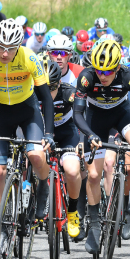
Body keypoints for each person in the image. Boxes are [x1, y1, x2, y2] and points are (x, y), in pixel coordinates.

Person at [0, 19, 54, 256]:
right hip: (0, 114)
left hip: (28, 111)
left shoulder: (29, 58)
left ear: (19, 46)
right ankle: (0, 227)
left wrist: (49, 133)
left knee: (35, 155)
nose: (5, 53)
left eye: (10, 48)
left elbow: (46, 99)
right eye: (1, 47)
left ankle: (43, 187)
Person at [73, 39, 130, 254]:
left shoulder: (129, 76)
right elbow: (77, 113)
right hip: (95, 119)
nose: (103, 76)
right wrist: (89, 134)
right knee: (93, 175)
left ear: (118, 67)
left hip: (122, 113)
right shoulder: (86, 77)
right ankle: (94, 225)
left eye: (108, 71)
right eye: (99, 71)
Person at [43, 61, 83, 238]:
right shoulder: (31, 93)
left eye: (52, 87)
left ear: (59, 83)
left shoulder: (69, 93)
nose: (47, 92)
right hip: (43, 132)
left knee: (72, 171)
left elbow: (82, 116)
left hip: (67, 133)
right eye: (43, 88)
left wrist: (82, 141)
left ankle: (73, 212)